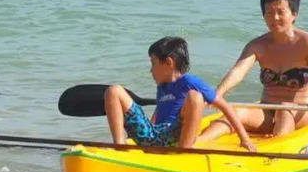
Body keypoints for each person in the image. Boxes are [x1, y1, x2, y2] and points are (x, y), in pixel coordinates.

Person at [199, 0, 308, 142]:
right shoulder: (258, 45)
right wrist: (218, 93)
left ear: (294, 14)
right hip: (268, 110)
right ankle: (196, 143)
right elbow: (238, 72)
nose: (274, 18)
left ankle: (274, 150)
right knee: (236, 112)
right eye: (269, 13)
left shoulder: (307, 42)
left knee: (285, 109)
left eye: (280, 12)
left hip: (303, 111)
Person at [105, 36, 257, 151]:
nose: (151, 70)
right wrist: (149, 129)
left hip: (175, 138)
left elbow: (225, 106)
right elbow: (160, 110)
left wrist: (245, 139)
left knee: (195, 96)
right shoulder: (162, 87)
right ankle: (120, 146)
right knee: (114, 91)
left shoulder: (189, 81)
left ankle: (185, 150)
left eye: (153, 64)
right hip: (154, 136)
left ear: (169, 63)